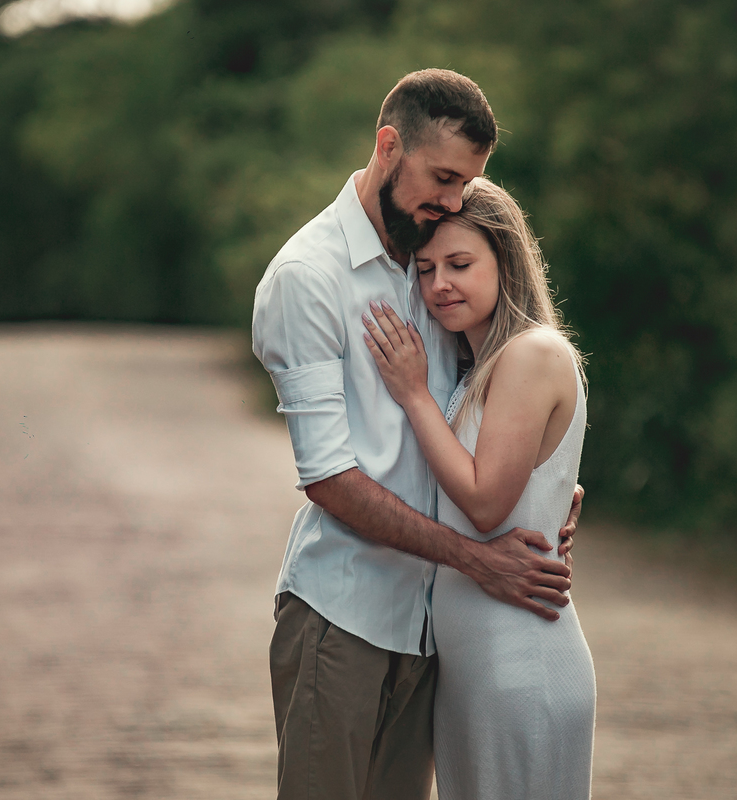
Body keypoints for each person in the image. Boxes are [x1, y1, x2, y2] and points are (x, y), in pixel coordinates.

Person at [252, 68, 583, 800]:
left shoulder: (433, 260)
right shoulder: (308, 278)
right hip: (342, 617)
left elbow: (484, 414)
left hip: (432, 632)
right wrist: (479, 560)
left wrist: (551, 492)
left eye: (465, 184)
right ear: (388, 145)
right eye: (441, 176)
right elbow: (330, 479)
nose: (451, 200)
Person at [362, 177, 595, 799]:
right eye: (427, 267)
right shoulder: (477, 371)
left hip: (520, 660)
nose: (440, 284)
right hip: (475, 664)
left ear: (507, 260)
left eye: (461, 264)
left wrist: (412, 394)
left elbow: (487, 504)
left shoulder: (532, 353)